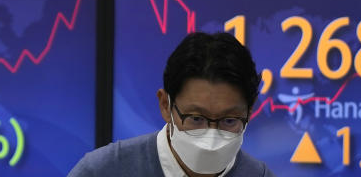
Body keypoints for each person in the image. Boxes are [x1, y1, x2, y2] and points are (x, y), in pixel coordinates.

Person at [68, 32, 276, 177]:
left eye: (229, 121)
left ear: (249, 111)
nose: (211, 138)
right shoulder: (104, 171)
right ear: (165, 105)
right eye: (196, 119)